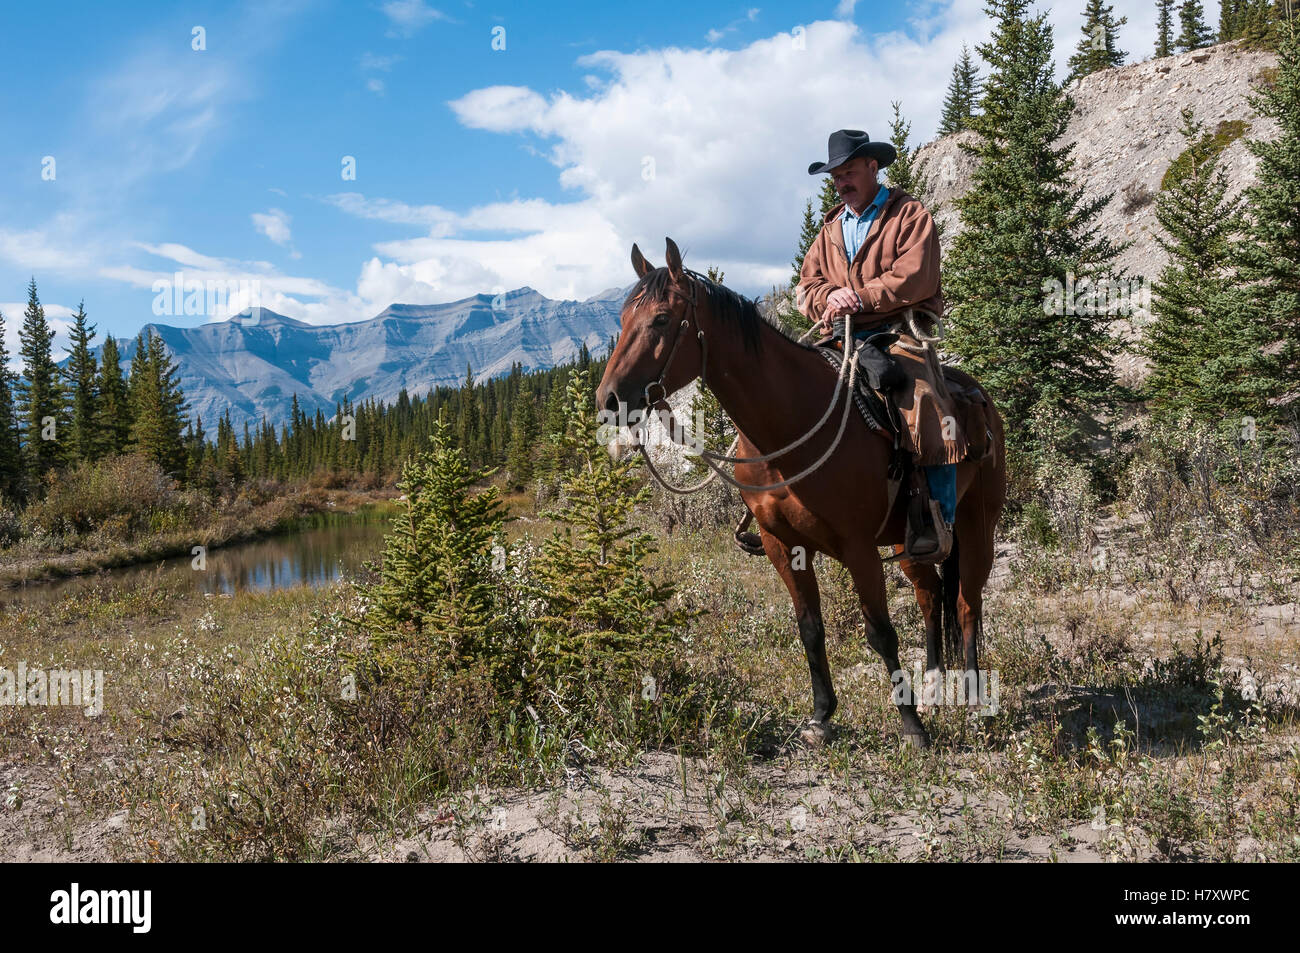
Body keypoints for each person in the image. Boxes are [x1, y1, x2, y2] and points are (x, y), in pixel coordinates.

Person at [797, 128, 960, 560]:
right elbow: (805, 287)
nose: (842, 183)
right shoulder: (830, 228)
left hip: (898, 331)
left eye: (849, 173)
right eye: (836, 177)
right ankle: (775, 509)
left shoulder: (909, 215)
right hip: (839, 337)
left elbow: (916, 276)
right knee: (787, 388)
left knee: (924, 402)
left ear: (873, 167)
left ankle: (937, 521)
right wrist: (829, 297)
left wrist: (862, 297)